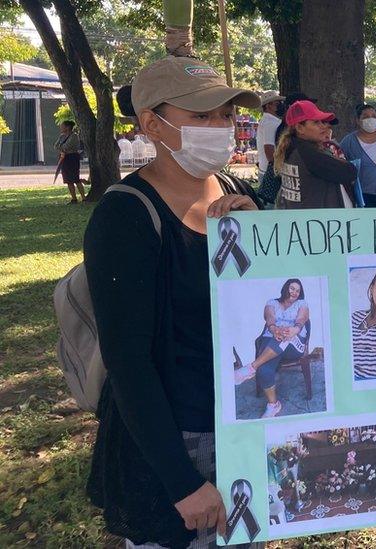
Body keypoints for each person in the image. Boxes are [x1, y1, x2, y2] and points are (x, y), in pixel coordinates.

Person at [84, 56, 263, 548]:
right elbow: (128, 363)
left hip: (246, 428)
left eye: (225, 115)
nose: (219, 127)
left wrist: (261, 227)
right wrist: (183, 483)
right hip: (179, 443)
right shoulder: (126, 216)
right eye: (200, 116)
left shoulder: (238, 194)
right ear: (151, 124)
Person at [233, 279, 310, 418]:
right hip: (271, 338)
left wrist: (295, 329)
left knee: (284, 336)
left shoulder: (301, 303)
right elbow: (269, 317)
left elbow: (302, 317)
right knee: (264, 370)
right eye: (292, 288)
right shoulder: (272, 303)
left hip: (294, 342)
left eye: (298, 290)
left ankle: (250, 368)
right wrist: (274, 328)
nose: (294, 292)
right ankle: (274, 405)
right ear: (286, 288)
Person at [274, 100, 357, 210]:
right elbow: (349, 172)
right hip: (316, 221)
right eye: (316, 122)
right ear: (299, 128)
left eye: (322, 122)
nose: (323, 126)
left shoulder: (290, 147)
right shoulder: (308, 153)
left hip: (299, 217)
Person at [54, 120, 85, 203]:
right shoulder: (62, 136)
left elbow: (66, 146)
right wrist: (62, 148)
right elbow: (56, 146)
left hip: (72, 158)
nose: (61, 127)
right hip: (64, 157)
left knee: (75, 178)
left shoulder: (74, 136)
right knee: (68, 179)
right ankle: (74, 198)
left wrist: (62, 147)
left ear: (67, 127)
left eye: (62, 126)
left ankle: (83, 197)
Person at [255, 91, 283, 180]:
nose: (280, 106)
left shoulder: (267, 120)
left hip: (265, 169)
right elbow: (269, 149)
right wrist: (277, 168)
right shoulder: (270, 123)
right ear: (268, 106)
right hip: (270, 172)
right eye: (277, 104)